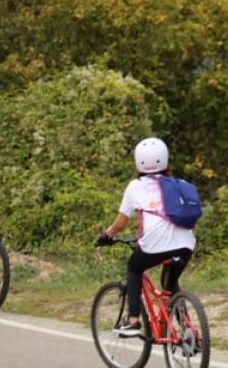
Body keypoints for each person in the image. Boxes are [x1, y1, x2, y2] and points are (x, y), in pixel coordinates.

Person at [96, 137, 196, 337]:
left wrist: (107, 235)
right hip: (186, 244)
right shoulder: (179, 184)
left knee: (134, 268)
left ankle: (133, 319)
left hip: (155, 244)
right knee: (170, 284)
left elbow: (121, 223)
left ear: (138, 161)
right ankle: (189, 333)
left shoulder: (136, 186)